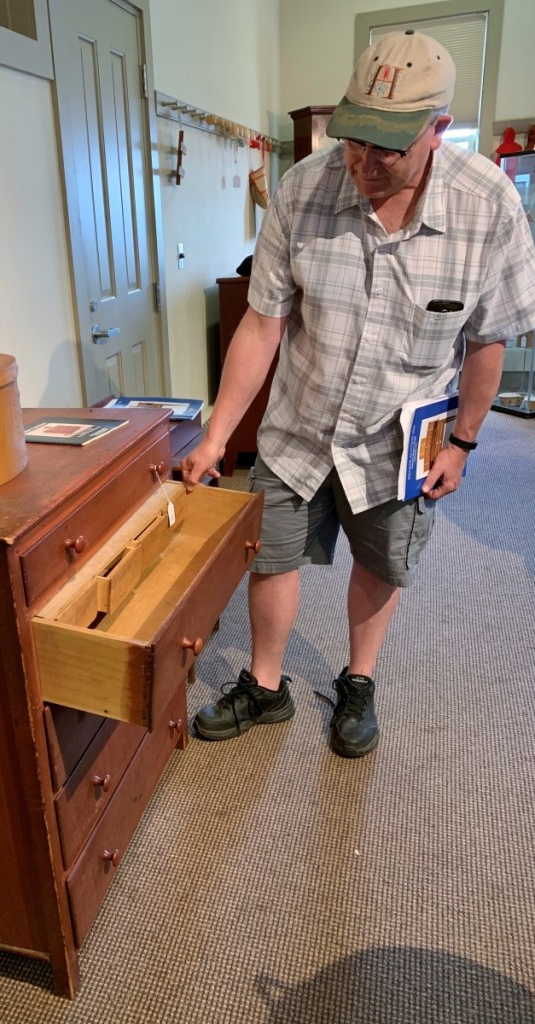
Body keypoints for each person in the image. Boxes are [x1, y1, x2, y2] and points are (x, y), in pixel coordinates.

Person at [181, 30, 535, 758]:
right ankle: (266, 683)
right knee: (272, 555)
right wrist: (216, 435)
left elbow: (488, 337)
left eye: (387, 149)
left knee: (381, 562)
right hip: (301, 422)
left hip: (401, 437)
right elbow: (261, 323)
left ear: (437, 130)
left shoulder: (489, 206)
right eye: (353, 141)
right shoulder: (303, 190)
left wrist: (465, 442)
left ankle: (359, 680)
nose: (363, 165)